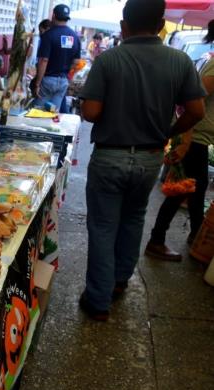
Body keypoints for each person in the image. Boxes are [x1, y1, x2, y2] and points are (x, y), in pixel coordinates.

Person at [78, 0, 205, 321]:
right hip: (149, 158)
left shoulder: (109, 60)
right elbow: (197, 111)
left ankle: (97, 301)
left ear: (123, 26)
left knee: (104, 227)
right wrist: (170, 131)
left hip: (110, 156)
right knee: (133, 219)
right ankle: (120, 282)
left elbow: (91, 112)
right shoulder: (180, 61)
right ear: (162, 24)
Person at [147, 21, 214, 261]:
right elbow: (194, 102)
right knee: (182, 189)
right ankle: (157, 240)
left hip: (197, 137)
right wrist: (182, 135)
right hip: (194, 136)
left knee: (194, 190)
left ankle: (196, 236)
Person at [34, 4, 81, 112]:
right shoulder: (74, 37)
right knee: (52, 114)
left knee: (37, 114)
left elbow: (43, 60)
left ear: (54, 15)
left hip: (48, 81)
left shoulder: (48, 35)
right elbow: (77, 62)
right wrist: (66, 77)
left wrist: (37, 83)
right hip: (63, 81)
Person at [30, 19, 53, 98]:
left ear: (47, 29)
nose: (40, 34)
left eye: (41, 31)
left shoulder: (47, 39)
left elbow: (44, 60)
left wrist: (37, 84)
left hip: (46, 78)